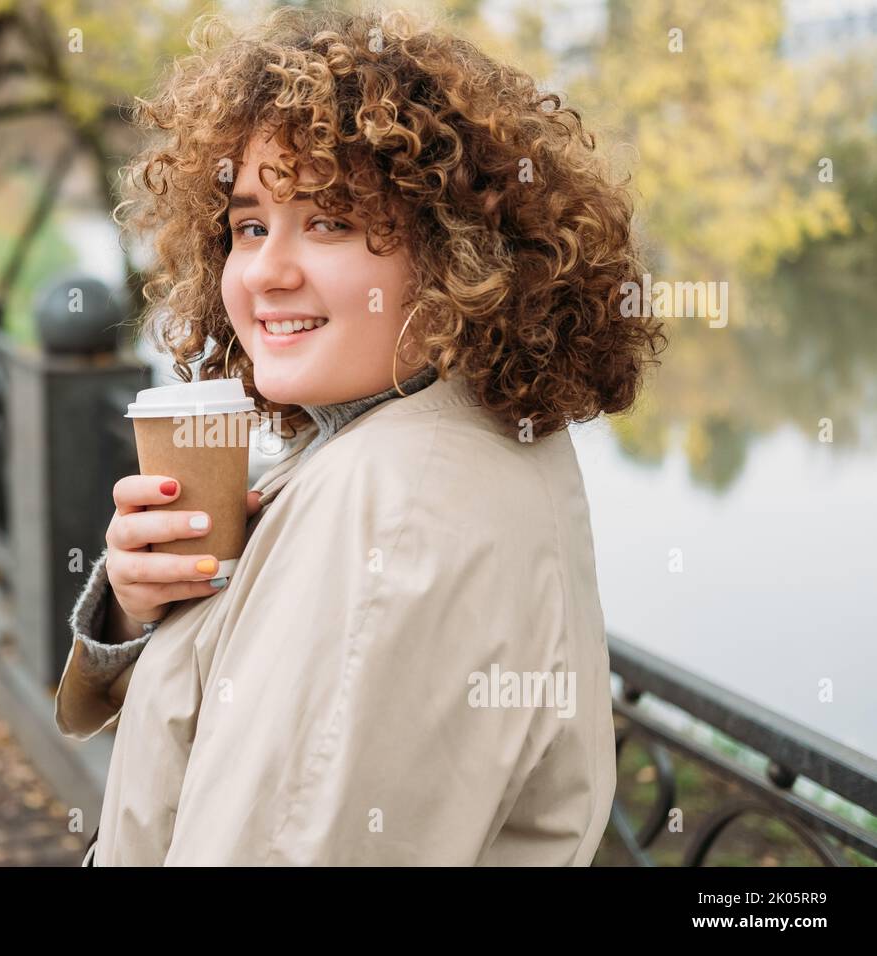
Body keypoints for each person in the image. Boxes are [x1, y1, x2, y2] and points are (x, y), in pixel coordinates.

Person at [55, 6, 666, 866]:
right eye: (249, 225)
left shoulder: (393, 508)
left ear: (457, 253)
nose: (267, 271)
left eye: (331, 220)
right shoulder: (401, 438)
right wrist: (133, 603)